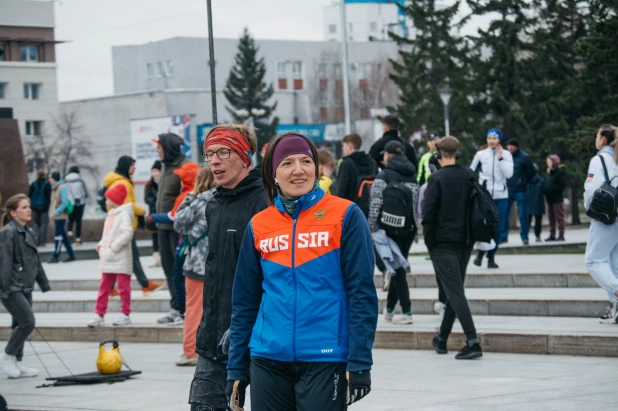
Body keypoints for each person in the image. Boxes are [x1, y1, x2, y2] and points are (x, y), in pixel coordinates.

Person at [226, 132, 378, 411]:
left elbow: (362, 293)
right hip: (267, 359)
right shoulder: (259, 224)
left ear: (316, 169)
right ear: (273, 173)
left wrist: (359, 361)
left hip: (325, 358)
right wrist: (236, 367)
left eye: (306, 161)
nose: (298, 170)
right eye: (287, 163)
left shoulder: (346, 215)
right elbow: (245, 301)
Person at [190, 123, 267, 411]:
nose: (214, 161)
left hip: (256, 339)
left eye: (224, 152)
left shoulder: (265, 201)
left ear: (245, 156)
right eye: (209, 154)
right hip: (213, 339)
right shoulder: (214, 204)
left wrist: (243, 327)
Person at [422, 137, 483, 360]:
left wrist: (430, 243)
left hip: (443, 243)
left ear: (438, 154)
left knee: (455, 292)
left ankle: (473, 341)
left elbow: (428, 214)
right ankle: (442, 338)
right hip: (464, 241)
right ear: (457, 153)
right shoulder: (468, 175)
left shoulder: (436, 178)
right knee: (453, 291)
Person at [0, 194, 50, 378]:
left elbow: (35, 261)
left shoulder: (29, 232)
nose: (29, 210)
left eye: (28, 206)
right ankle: (6, 356)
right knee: (28, 322)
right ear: (13, 213)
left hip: (25, 286)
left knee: (18, 324)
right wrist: (5, 289)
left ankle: (18, 362)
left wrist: (43, 283)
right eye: (23, 207)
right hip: (11, 287)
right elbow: (4, 262)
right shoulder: (8, 232)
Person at [368, 140, 419, 324]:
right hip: (408, 229)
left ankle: (407, 312)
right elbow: (415, 205)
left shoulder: (383, 175)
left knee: (397, 269)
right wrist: (416, 227)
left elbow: (375, 203)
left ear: (388, 155)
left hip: (388, 228)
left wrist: (372, 227)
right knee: (397, 266)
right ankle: (389, 309)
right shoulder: (412, 175)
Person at [148, 161, 201, 325]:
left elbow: (174, 218)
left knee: (177, 275)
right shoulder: (200, 194)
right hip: (194, 245)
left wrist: (151, 217)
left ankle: (182, 311)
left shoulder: (186, 196)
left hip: (185, 243)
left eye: (181, 177)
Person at [173, 168, 216, 367]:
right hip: (217, 264)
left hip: (197, 265)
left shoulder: (198, 201)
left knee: (193, 310)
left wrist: (191, 194)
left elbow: (178, 222)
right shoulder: (220, 200)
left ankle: (190, 350)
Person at [104, 156, 163, 296]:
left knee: (127, 256)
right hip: (123, 226)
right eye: (132, 165)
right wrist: (141, 211)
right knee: (132, 256)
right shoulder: (122, 183)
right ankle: (144, 284)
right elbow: (124, 204)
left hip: (121, 225)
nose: (134, 168)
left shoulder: (122, 181)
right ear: (126, 166)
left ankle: (112, 287)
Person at [153, 133, 190, 324]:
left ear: (168, 148)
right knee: (168, 269)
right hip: (162, 227)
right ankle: (175, 307)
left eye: (160, 148)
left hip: (178, 228)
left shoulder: (184, 167)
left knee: (179, 270)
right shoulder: (164, 166)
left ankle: (184, 309)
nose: (157, 151)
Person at [584, 124, 618, 324]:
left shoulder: (599, 160)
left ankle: (616, 292)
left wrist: (591, 210)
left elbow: (592, 190)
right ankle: (615, 307)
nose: (595, 139)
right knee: (614, 263)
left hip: (605, 217)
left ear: (603, 140)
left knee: (594, 261)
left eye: (597, 135)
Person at [87, 184, 134, 327]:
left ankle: (125, 313)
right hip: (109, 258)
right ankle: (99, 314)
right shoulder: (111, 215)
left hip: (120, 258)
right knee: (104, 287)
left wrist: (113, 248)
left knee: (123, 287)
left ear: (114, 200)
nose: (105, 201)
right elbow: (107, 235)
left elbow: (127, 233)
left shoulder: (123, 215)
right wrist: (101, 245)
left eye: (107, 198)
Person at [470, 129, 514, 269]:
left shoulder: (506, 154)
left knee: (498, 228)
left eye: (495, 138)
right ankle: (480, 253)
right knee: (484, 225)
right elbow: (471, 173)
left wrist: (500, 157)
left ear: (499, 140)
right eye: (489, 138)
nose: (492, 141)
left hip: (501, 195)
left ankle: (491, 257)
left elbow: (509, 174)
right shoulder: (480, 155)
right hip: (485, 195)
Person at [503, 138, 535, 245]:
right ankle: (503, 236)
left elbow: (531, 172)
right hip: (507, 189)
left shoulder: (524, 157)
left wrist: (523, 182)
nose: (510, 148)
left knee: (523, 215)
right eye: (508, 146)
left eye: (512, 146)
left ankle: (524, 237)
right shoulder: (505, 156)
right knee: (504, 214)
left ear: (516, 146)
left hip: (520, 190)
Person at [333, 133, 377, 207]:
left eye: (344, 146)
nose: (343, 149)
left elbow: (341, 190)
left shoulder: (346, 163)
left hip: (351, 208)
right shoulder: (371, 161)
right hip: (369, 206)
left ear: (350, 146)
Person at [47, 171, 76, 264]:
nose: (49, 180)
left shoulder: (62, 188)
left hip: (60, 216)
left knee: (58, 236)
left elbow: (64, 203)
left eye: (50, 178)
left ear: (54, 179)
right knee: (63, 236)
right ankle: (71, 254)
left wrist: (56, 211)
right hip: (56, 216)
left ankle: (56, 255)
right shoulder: (54, 188)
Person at [544, 154, 566, 241]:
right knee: (551, 218)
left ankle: (561, 235)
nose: (548, 163)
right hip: (549, 198)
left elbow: (561, 186)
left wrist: (551, 190)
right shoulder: (549, 172)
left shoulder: (560, 172)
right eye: (548, 162)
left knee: (559, 217)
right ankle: (552, 234)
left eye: (550, 162)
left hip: (557, 198)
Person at [144, 160, 162, 267]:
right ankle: (156, 259)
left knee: (163, 236)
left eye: (156, 170)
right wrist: (155, 200)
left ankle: (164, 258)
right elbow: (146, 199)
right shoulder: (149, 185)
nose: (154, 173)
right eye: (152, 171)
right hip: (154, 214)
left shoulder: (164, 183)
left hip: (163, 214)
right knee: (155, 237)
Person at [65, 166, 88, 246]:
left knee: (70, 219)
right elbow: (84, 191)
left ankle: (70, 231)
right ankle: (78, 239)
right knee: (78, 221)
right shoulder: (80, 179)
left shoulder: (66, 180)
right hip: (80, 202)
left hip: (70, 202)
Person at [28, 170, 51, 247]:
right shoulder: (47, 184)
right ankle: (42, 242)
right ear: (44, 175)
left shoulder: (33, 184)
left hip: (34, 208)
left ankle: (35, 241)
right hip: (44, 208)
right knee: (44, 225)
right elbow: (49, 197)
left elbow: (29, 196)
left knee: (36, 224)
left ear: (37, 175)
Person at [527, 164, 546, 242]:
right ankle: (537, 235)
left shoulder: (525, 180)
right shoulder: (540, 180)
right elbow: (545, 190)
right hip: (538, 203)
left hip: (528, 203)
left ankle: (525, 236)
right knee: (538, 221)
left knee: (527, 221)